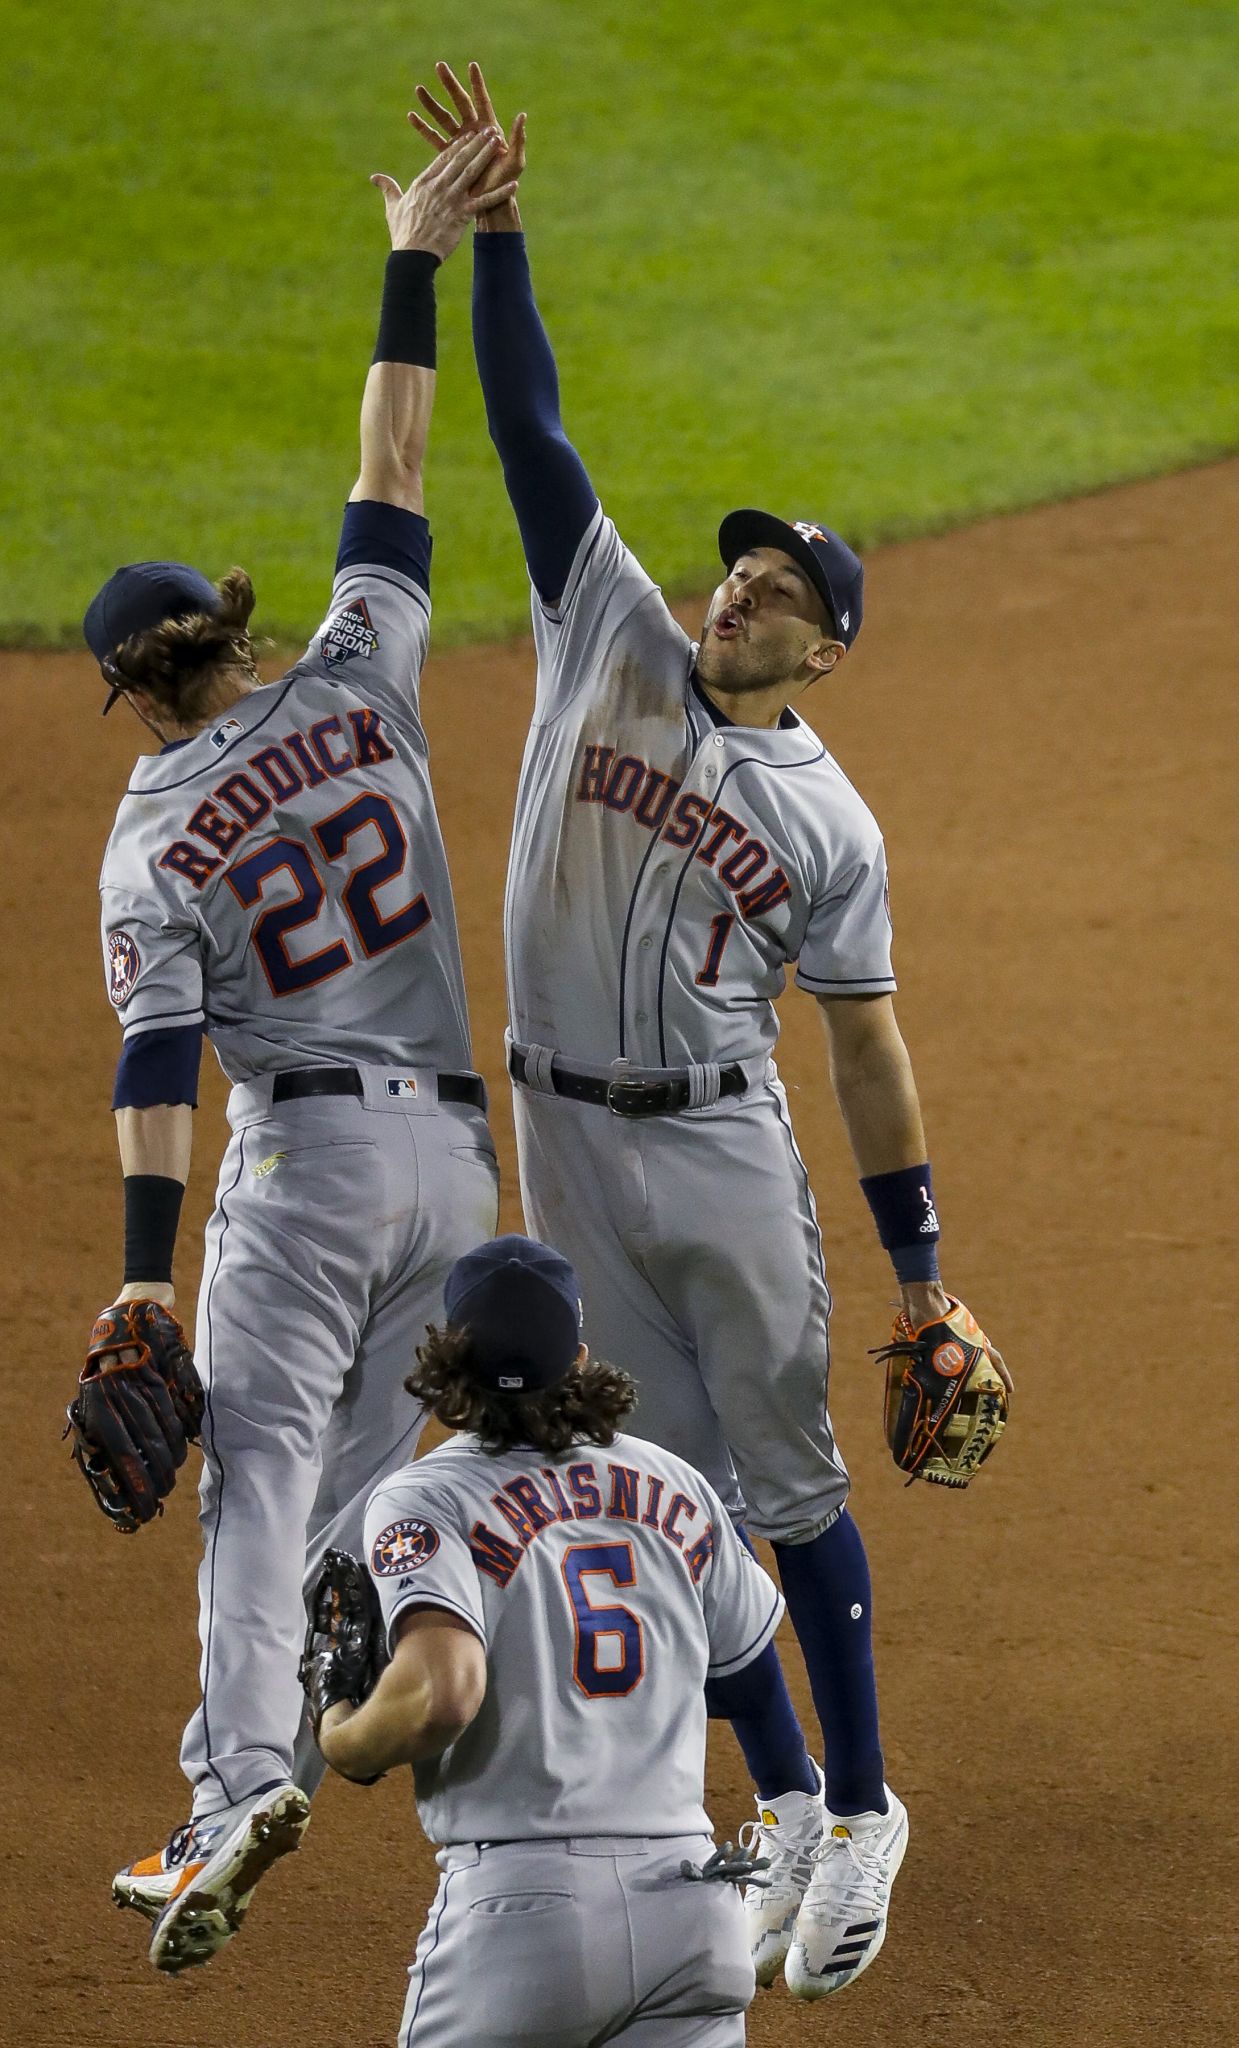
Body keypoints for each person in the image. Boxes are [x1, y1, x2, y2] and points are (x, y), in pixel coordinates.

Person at [403, 61, 1009, 1998]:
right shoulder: (607, 632)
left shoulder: (830, 822)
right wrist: (499, 236)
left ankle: (863, 1810)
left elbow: (866, 1053)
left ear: (820, 648)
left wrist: (921, 1269)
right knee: (651, 1474)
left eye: (784, 585)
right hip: (561, 1136)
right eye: (743, 558)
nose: (744, 579)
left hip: (719, 1148)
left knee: (785, 1475)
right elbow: (527, 425)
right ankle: (769, 1796)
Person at [89, 127, 517, 1973]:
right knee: (351, 1480)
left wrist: (132, 1287)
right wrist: (416, 251)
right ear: (231, 633)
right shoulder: (357, 660)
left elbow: (157, 1073)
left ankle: (233, 1787)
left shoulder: (150, 832)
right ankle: (375, 1654)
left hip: (308, 1165)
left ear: (133, 686)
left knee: (254, 1481)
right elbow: (396, 454)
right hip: (456, 1159)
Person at [313, 1233, 779, 2048]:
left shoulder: (427, 1498)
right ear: (581, 1357)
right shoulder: (677, 1483)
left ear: (447, 1360)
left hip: (524, 1919)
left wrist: (346, 1737)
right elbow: (745, 1674)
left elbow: (442, 1694)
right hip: (694, 1906)